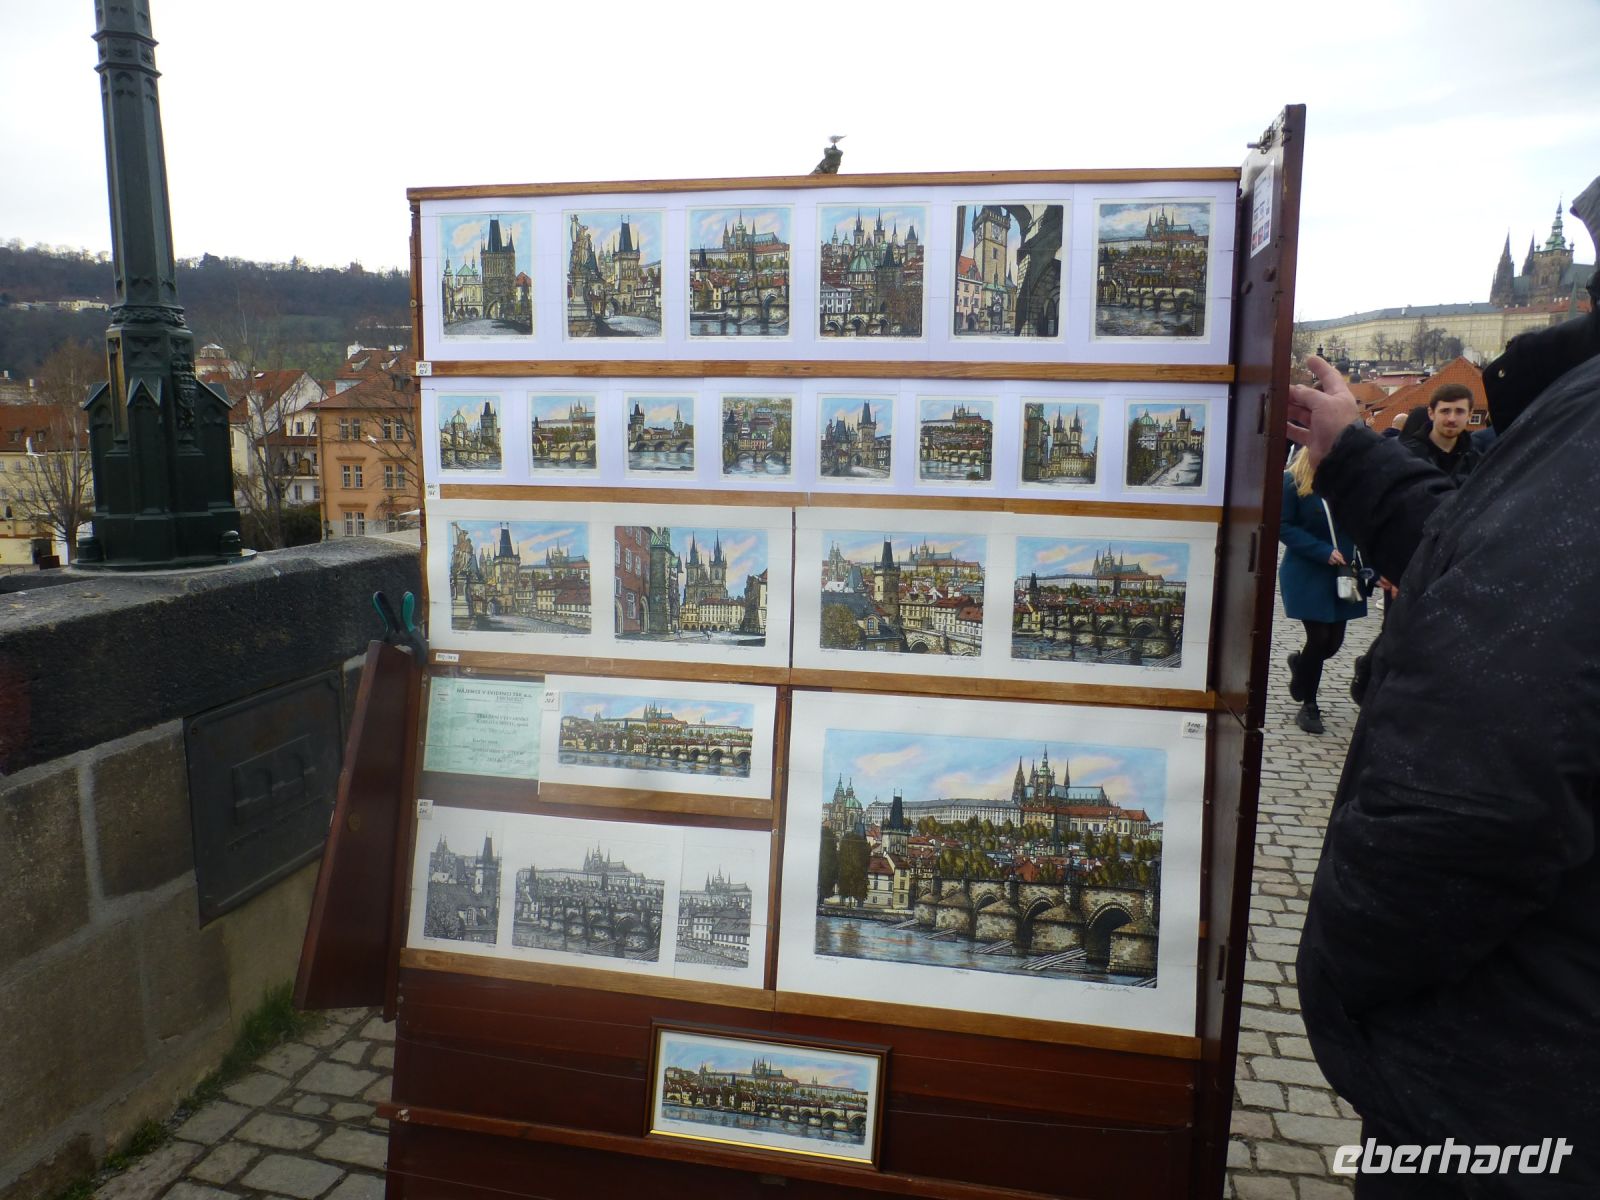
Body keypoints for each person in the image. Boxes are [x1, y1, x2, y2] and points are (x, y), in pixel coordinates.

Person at [1285, 241, 1600, 1200]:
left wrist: (1342, 975)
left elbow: (1469, 801)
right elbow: (1490, 570)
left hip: (1520, 1091)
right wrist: (1352, 453)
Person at [1278, 447, 1367, 734]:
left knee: (1332, 644)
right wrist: (1321, 551)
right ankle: (1310, 705)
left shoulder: (1353, 483)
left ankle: (1301, 666)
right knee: (1319, 637)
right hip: (1307, 570)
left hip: (1343, 575)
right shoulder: (1293, 481)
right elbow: (1283, 525)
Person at [1402, 382, 1477, 481]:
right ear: (1431, 413)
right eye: (1445, 411)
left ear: (1470, 415)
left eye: (1459, 411)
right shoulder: (1405, 457)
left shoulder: (1477, 462)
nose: (1452, 419)